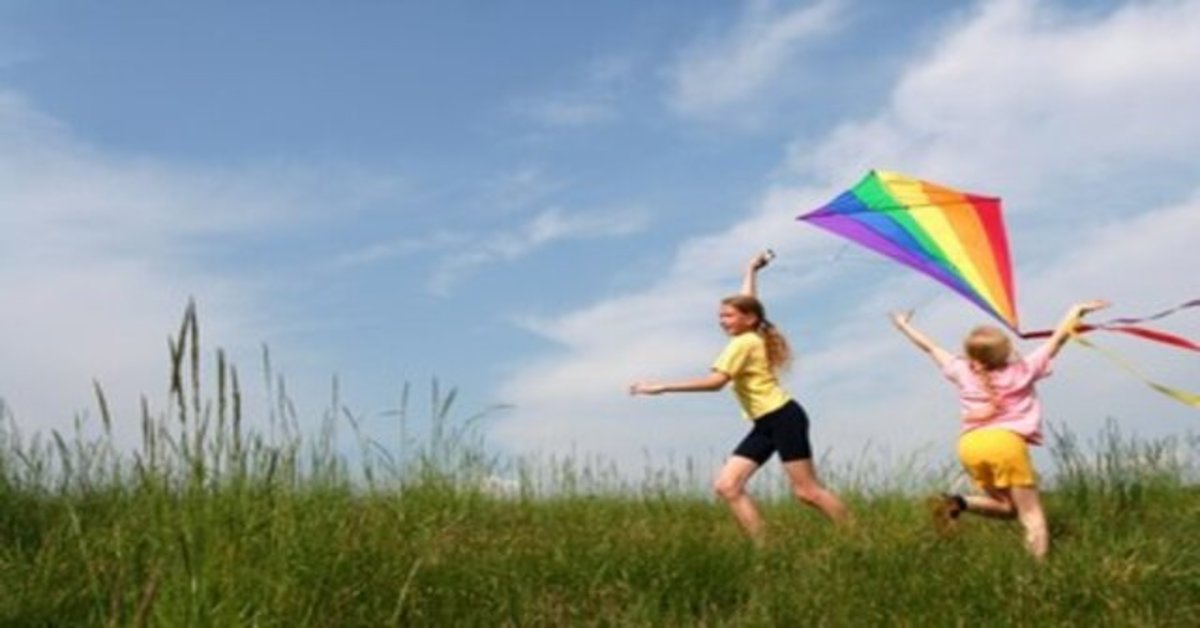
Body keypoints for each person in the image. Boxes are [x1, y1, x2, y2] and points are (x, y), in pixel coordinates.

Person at [630, 251, 849, 540]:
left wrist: (663, 387)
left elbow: (716, 382)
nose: (722, 321)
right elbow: (748, 300)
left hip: (782, 416)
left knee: (806, 491)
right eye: (720, 315)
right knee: (727, 486)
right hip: (766, 422)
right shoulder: (752, 332)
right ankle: (767, 547)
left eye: (728, 316)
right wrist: (751, 269)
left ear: (748, 319)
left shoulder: (742, 344)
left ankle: (860, 538)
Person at [889, 300, 1109, 559]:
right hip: (1005, 444)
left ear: (971, 354)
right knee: (1032, 516)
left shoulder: (962, 370)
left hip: (970, 445)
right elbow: (1058, 339)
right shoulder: (1023, 369)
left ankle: (956, 502)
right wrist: (1076, 311)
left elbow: (930, 347)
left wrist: (904, 325)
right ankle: (1038, 575)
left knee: (1008, 508)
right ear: (1006, 352)